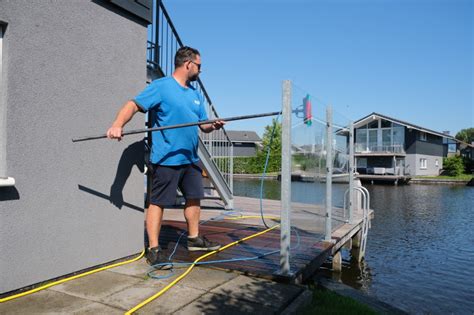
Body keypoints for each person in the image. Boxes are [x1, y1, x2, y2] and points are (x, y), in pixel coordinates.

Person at [106, 46, 225, 266]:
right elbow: (132, 105)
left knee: (194, 198)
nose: (200, 70)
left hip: (190, 157)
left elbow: (203, 125)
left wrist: (213, 125)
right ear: (188, 64)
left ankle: (194, 239)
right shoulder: (161, 87)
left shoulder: (194, 94)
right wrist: (117, 124)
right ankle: (153, 248)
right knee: (158, 203)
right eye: (199, 66)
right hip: (166, 158)